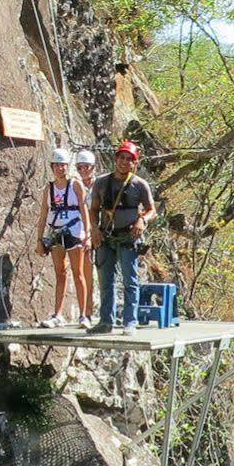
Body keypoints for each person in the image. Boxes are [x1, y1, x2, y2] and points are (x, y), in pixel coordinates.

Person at [90, 139, 155, 333]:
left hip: (129, 238)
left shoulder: (139, 185)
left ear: (135, 163)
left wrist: (142, 221)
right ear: (116, 159)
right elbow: (93, 209)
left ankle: (130, 322)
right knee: (105, 281)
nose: (124, 162)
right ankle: (105, 322)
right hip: (105, 237)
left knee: (130, 281)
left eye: (129, 159)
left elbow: (152, 209)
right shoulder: (101, 183)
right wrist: (94, 229)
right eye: (121, 157)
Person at [37, 148, 89, 327]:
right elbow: (44, 214)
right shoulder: (49, 188)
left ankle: (83, 315)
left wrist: (87, 234)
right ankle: (57, 314)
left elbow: (84, 210)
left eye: (63, 165)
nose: (60, 168)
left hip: (74, 232)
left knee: (78, 273)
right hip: (56, 232)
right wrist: (40, 240)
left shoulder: (75, 185)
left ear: (68, 166)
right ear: (52, 167)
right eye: (57, 165)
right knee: (60, 273)